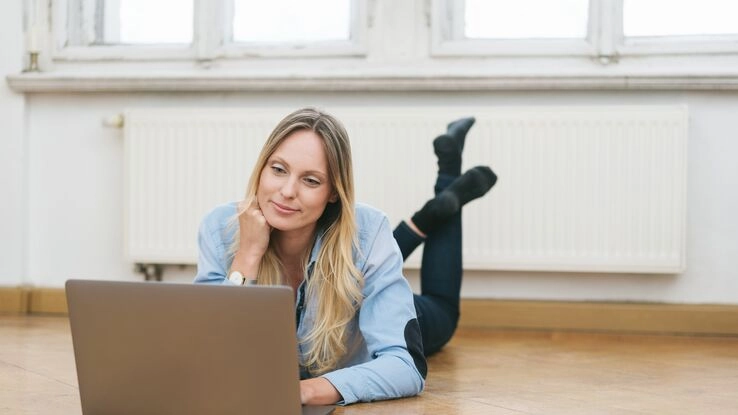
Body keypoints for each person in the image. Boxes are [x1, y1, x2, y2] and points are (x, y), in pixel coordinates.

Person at [194, 108, 496, 405]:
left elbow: (406, 367)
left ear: (334, 191)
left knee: (442, 310)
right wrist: (247, 256)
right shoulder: (220, 228)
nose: (286, 191)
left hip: (374, 311)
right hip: (356, 261)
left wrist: (305, 390)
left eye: (311, 180)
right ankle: (429, 214)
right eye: (278, 169)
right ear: (261, 168)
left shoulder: (369, 230)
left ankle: (448, 173)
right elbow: (208, 355)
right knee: (360, 245)